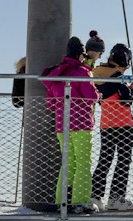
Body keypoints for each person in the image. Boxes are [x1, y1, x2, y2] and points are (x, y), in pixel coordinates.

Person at [37, 41, 99, 210]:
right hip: (82, 125)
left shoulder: (58, 74)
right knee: (83, 164)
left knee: (68, 164)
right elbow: (92, 97)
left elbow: (51, 103)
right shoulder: (81, 72)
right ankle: (80, 201)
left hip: (62, 125)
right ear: (80, 55)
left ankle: (61, 201)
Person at [92, 45, 133, 207]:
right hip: (123, 124)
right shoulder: (119, 78)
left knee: (104, 160)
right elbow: (126, 101)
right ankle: (116, 197)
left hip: (106, 123)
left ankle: (95, 196)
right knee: (123, 161)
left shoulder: (98, 75)